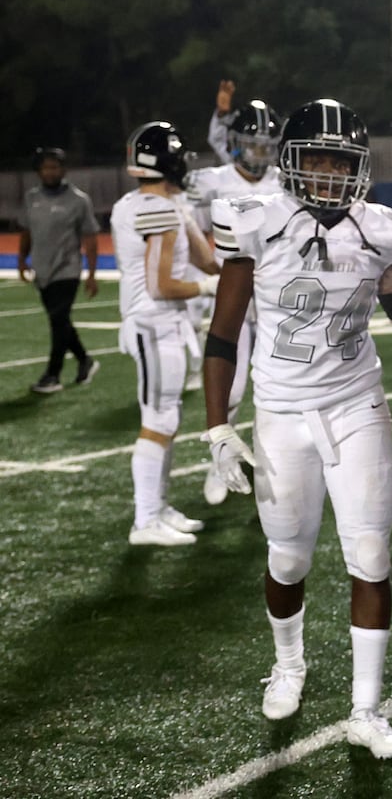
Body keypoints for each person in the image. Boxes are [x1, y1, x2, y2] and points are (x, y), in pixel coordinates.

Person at [202, 98, 392, 758]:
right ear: (291, 165)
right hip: (282, 414)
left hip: (356, 407)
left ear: (358, 166)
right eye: (313, 160)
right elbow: (223, 334)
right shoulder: (256, 225)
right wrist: (216, 428)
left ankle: (366, 710)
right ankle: (289, 663)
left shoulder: (378, 231)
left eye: (337, 161)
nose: (325, 174)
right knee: (287, 558)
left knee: (370, 556)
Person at [112, 123, 221, 546]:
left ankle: (157, 507)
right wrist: (207, 288)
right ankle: (145, 520)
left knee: (167, 419)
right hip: (155, 320)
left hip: (161, 322)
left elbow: (208, 259)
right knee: (159, 420)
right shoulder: (157, 209)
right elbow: (162, 285)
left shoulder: (143, 204)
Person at [185, 99, 285, 503]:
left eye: (266, 145)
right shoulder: (213, 181)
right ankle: (220, 459)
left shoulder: (285, 179)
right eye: (253, 144)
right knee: (233, 387)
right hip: (234, 299)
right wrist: (207, 277)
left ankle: (272, 466)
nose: (260, 152)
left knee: (277, 390)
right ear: (235, 143)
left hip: (277, 297)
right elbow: (188, 234)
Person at [19, 147, 100, 394]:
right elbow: (26, 231)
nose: (50, 171)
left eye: (54, 167)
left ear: (63, 169)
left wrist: (92, 274)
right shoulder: (31, 198)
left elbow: (90, 238)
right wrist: (22, 259)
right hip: (42, 271)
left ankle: (52, 375)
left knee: (58, 321)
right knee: (60, 321)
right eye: (45, 167)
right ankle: (85, 360)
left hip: (68, 270)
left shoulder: (79, 200)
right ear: (39, 171)